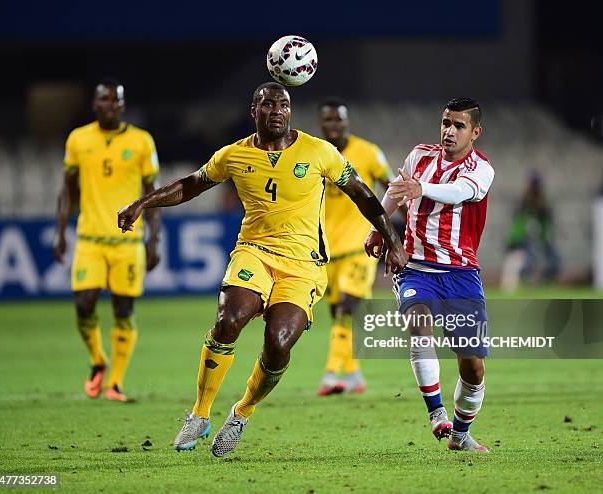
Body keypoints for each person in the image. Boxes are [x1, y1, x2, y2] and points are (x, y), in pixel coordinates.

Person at [117, 82, 408, 457]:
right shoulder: (233, 155)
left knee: (279, 342)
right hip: (254, 252)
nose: (277, 110)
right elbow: (191, 185)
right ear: (253, 111)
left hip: (304, 264)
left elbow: (364, 195)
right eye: (268, 104)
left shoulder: (320, 152)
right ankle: (200, 414)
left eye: (283, 104)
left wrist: (393, 240)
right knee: (229, 319)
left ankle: (241, 413)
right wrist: (143, 203)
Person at [365, 98, 494, 452]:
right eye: (445, 123)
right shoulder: (419, 156)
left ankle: (461, 434)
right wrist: (380, 228)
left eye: (459, 126)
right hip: (416, 268)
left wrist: (422, 189)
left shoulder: (482, 169)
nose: (449, 131)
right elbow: (394, 190)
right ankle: (437, 413)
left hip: (461, 274)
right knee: (419, 327)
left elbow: (460, 192)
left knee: (473, 368)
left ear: (475, 132)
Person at [53, 78, 161, 402]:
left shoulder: (142, 142)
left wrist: (154, 239)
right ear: (94, 103)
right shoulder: (78, 139)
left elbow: (152, 194)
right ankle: (98, 360)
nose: (109, 105)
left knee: (123, 310)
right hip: (89, 239)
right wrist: (60, 231)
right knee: (83, 304)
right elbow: (68, 190)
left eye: (115, 101)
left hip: (128, 242)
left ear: (122, 105)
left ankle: (114, 382)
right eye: (104, 100)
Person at [317, 100, 393, 396]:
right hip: (327, 251)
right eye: (328, 120)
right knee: (338, 313)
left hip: (360, 247)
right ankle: (352, 374)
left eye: (338, 120)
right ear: (321, 124)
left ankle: (330, 374)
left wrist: (396, 230)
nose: (333, 125)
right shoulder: (315, 155)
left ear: (346, 122)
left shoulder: (369, 152)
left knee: (347, 308)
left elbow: (392, 187)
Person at [500, 171, 560, 292]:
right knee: (517, 264)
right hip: (521, 240)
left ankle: (536, 283)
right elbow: (518, 224)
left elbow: (545, 225)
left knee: (548, 260)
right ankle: (520, 285)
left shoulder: (542, 204)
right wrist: (514, 239)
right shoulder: (524, 202)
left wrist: (545, 239)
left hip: (534, 240)